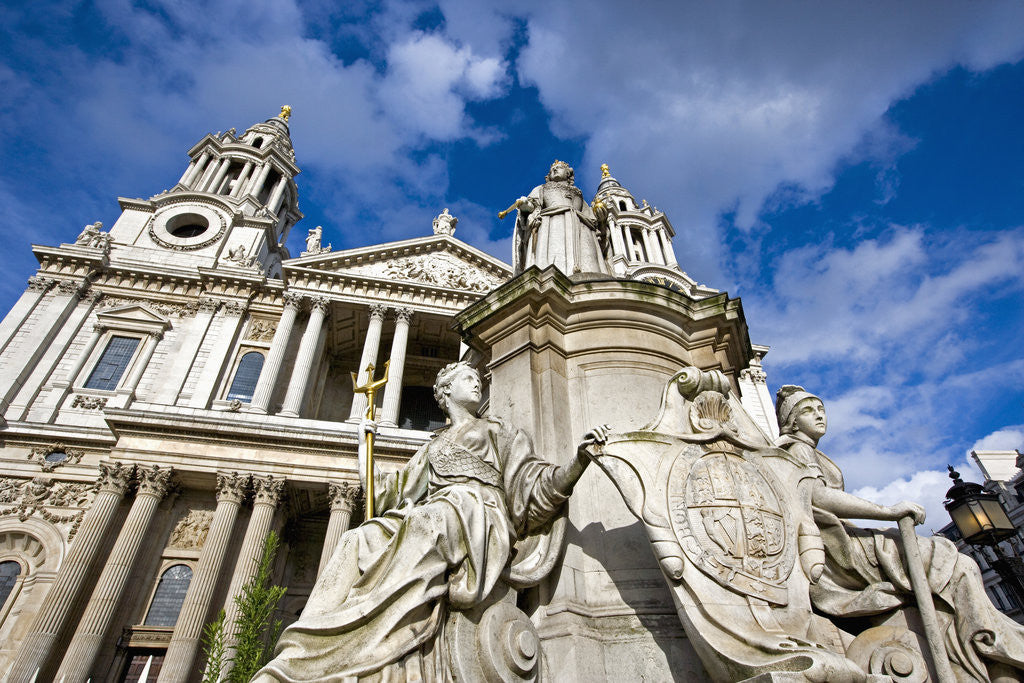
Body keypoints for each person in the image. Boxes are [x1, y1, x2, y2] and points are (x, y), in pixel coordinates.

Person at [254, 362, 609, 681]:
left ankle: (371, 642)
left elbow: (534, 487)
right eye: (467, 378)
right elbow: (392, 492)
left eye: (477, 378)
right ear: (446, 392)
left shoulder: (500, 432)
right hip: (437, 513)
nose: (477, 384)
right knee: (358, 539)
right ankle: (301, 656)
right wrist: (365, 448)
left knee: (426, 522)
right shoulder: (432, 446)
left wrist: (577, 463)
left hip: (477, 514)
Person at [775, 385, 1024, 681]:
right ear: (791, 421)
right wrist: (888, 511)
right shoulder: (796, 450)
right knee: (948, 558)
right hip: (839, 548)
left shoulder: (811, 452)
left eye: (821, 409)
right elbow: (817, 496)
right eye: (807, 411)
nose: (819, 415)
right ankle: (990, 642)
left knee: (953, 562)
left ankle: (984, 644)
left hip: (844, 540)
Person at [512, 160, 610, 276]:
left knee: (590, 266)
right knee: (555, 260)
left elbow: (593, 222)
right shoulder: (542, 188)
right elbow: (533, 206)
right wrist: (525, 205)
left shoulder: (578, 194)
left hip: (582, 229)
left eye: (559, 168)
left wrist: (602, 219)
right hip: (553, 225)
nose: (554, 170)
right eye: (552, 170)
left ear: (568, 173)